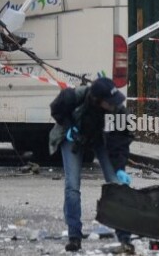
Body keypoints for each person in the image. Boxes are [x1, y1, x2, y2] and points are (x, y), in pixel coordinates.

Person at [48, 77, 134, 254]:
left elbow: (121, 138)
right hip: (73, 136)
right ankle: (74, 237)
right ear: (97, 99)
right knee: (72, 185)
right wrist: (69, 126)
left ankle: (125, 238)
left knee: (116, 185)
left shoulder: (118, 110)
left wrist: (119, 167)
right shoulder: (73, 97)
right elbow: (56, 109)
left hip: (99, 138)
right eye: (109, 102)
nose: (113, 105)